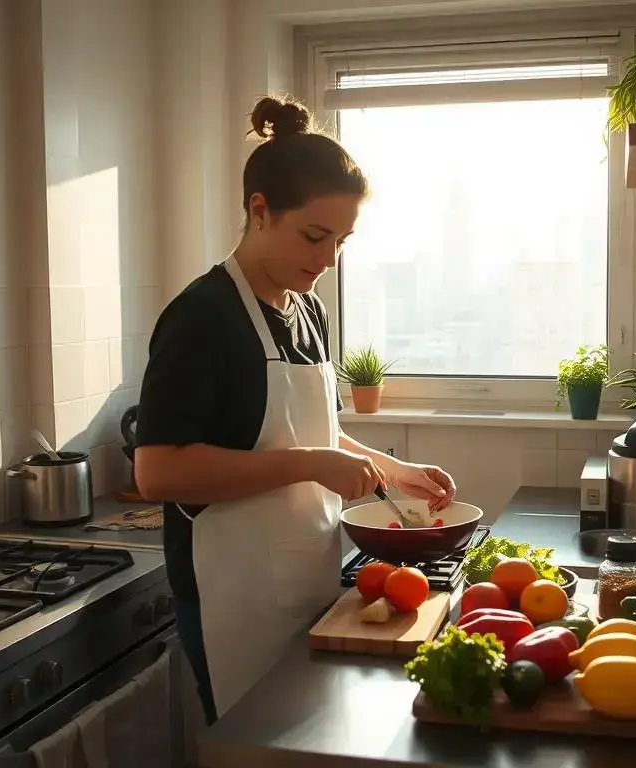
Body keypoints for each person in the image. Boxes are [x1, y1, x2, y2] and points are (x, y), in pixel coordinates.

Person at [134, 95, 458, 726]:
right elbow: (159, 473)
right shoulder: (202, 317)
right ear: (259, 211)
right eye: (315, 236)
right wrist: (311, 464)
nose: (328, 259)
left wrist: (396, 471)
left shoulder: (307, 311)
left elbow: (320, 433)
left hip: (305, 577)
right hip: (234, 596)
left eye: (341, 240)